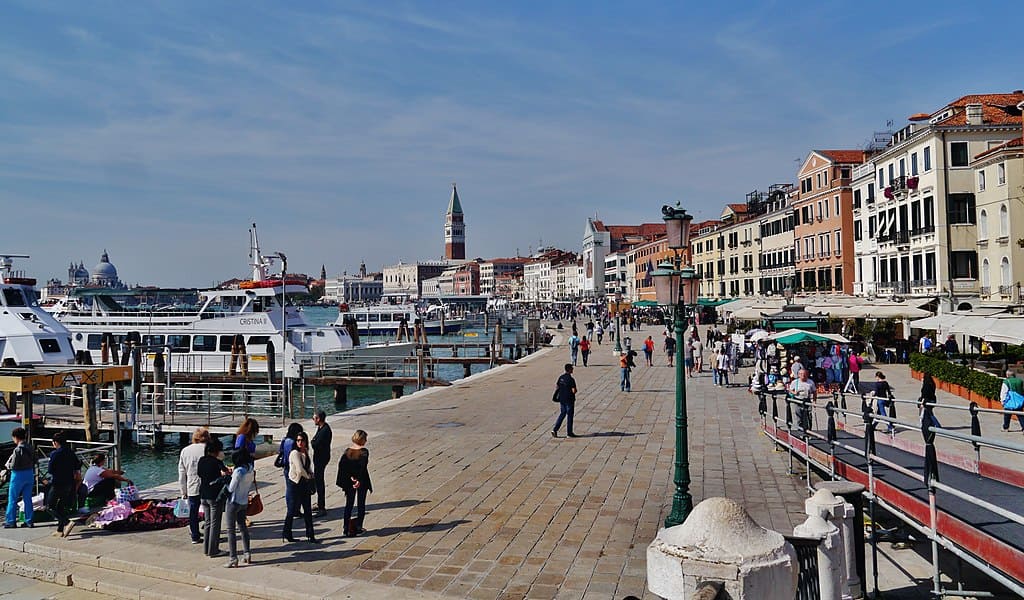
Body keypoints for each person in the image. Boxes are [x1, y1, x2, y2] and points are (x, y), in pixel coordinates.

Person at [283, 431, 318, 543]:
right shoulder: (294, 453)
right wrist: (309, 476)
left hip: (304, 483)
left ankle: (310, 534)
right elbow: (299, 469)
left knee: (307, 509)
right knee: (291, 510)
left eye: (302, 440)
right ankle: (287, 533)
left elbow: (307, 466)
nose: (300, 442)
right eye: (298, 440)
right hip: (295, 483)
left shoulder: (305, 452)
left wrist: (311, 474)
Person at [336, 430, 373, 537]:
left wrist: (351, 478)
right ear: (362, 439)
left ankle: (346, 527)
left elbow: (343, 466)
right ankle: (358, 527)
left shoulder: (347, 451)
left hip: (349, 482)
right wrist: (358, 480)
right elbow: (362, 467)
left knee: (349, 504)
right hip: (361, 481)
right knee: (361, 504)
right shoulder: (364, 452)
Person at [178, 427, 211, 545]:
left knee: (193, 511)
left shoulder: (185, 451)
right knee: (209, 511)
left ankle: (195, 535)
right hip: (208, 485)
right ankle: (210, 535)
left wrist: (183, 491)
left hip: (192, 485)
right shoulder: (208, 449)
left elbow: (182, 473)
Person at [198, 438, 230, 557]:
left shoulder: (202, 460)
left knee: (207, 522)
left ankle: (206, 548)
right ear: (217, 451)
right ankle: (213, 550)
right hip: (214, 496)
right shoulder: (216, 462)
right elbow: (225, 472)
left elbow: (199, 474)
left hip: (203, 494)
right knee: (215, 523)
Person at [47, 431, 82, 537]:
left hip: (58, 483)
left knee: (50, 506)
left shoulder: (54, 454)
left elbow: (50, 470)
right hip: (69, 482)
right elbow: (77, 465)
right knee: (60, 506)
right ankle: (60, 530)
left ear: (55, 442)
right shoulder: (70, 452)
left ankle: (67, 522)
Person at [224, 448, 255, 568]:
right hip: (244, 501)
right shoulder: (250, 469)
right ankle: (247, 553)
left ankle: (233, 558)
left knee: (230, 530)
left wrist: (226, 480)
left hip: (233, 502)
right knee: (243, 528)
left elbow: (231, 488)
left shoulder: (238, 471)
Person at [4, 427, 36, 528]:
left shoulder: (17, 450)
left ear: (16, 437)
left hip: (17, 475)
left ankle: (11, 521)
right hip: (29, 474)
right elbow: (35, 460)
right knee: (28, 499)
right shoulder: (30, 447)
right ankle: (29, 521)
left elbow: (13, 465)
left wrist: (7, 465)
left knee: (12, 499)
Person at [311, 410, 333, 516]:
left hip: (321, 458)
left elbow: (315, 444)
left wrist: (312, 442)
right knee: (318, 480)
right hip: (320, 457)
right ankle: (320, 503)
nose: (313, 420)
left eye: (314, 418)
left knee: (319, 482)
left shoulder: (325, 430)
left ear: (318, 419)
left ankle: (321, 507)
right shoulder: (321, 428)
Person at [552, 364, 578, 438]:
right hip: (569, 399)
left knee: (562, 414)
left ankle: (555, 429)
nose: (573, 369)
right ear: (569, 370)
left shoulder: (561, 377)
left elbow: (557, 386)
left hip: (562, 399)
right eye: (572, 368)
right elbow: (574, 390)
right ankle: (569, 433)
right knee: (570, 416)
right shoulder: (571, 379)